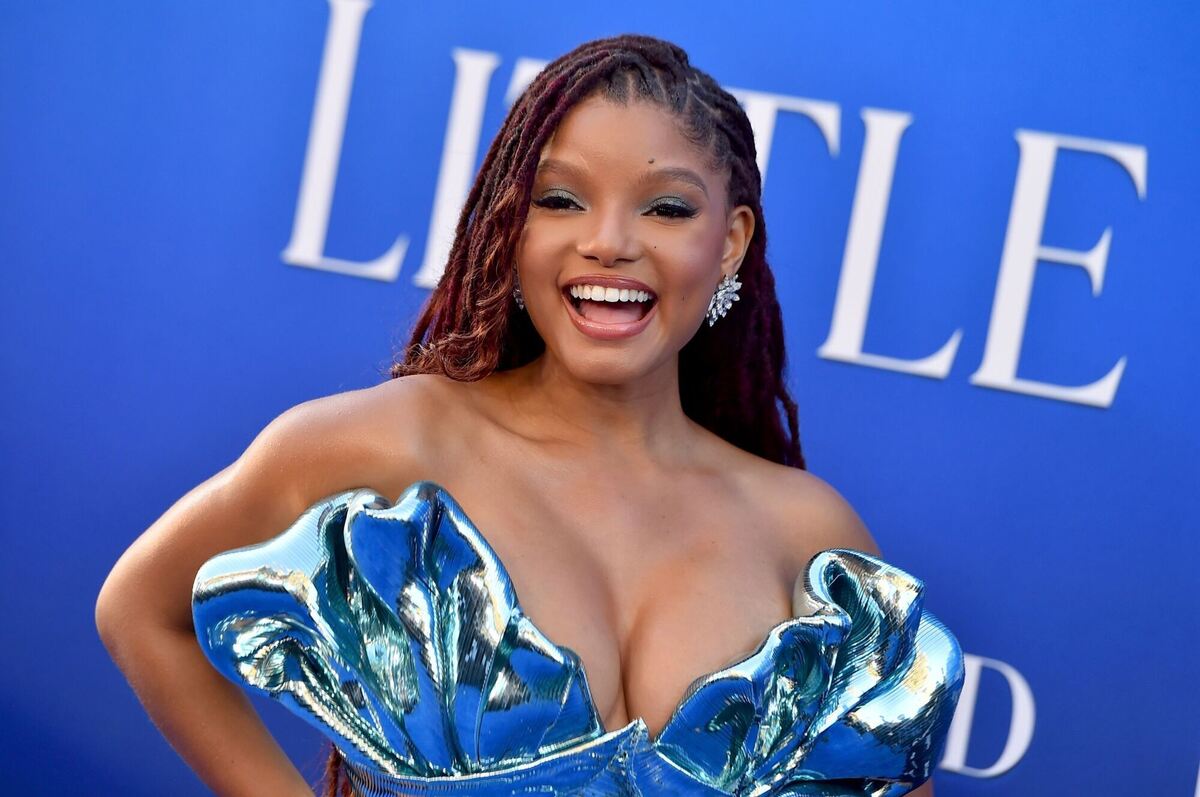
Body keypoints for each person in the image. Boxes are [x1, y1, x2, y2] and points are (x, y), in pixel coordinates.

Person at [97, 34, 961, 797]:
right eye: (560, 200)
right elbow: (140, 608)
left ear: (729, 242)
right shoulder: (387, 446)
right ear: (511, 227)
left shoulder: (805, 532)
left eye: (666, 207)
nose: (608, 241)